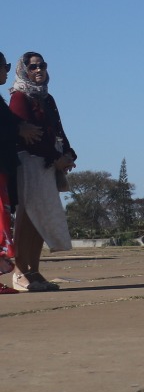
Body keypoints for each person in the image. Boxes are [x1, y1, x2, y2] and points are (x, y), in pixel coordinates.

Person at [8, 51, 76, 291]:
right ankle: (19, 272)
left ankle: (34, 271)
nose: (39, 70)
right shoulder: (19, 97)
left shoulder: (48, 99)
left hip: (48, 165)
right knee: (27, 218)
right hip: (29, 165)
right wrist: (55, 158)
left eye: (42, 65)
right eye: (33, 67)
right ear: (24, 70)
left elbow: (57, 129)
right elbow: (28, 137)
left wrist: (68, 154)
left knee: (40, 223)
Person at [0, 53, 43, 294]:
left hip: (4, 168)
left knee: (3, 222)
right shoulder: (17, 98)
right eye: (3, 66)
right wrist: (19, 128)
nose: (6, 71)